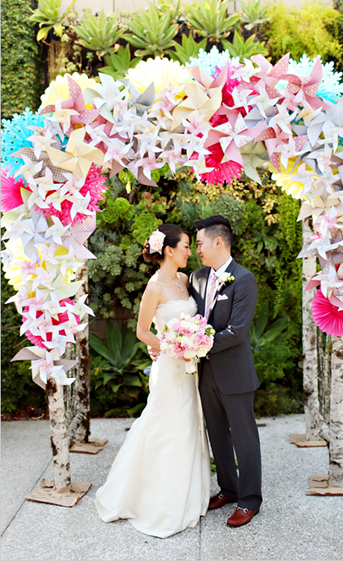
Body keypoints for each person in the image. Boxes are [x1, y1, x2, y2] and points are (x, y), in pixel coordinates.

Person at [95, 223, 210, 539]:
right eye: (186, 245)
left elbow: (193, 320)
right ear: (169, 250)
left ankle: (189, 494)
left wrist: (193, 342)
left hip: (189, 369)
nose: (190, 251)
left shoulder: (185, 280)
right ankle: (154, 501)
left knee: (188, 428)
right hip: (169, 370)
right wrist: (174, 346)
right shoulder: (155, 286)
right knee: (163, 429)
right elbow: (143, 332)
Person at [189, 215, 262, 528]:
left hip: (235, 373)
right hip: (206, 375)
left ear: (218, 242)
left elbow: (237, 332)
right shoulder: (196, 278)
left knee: (244, 438)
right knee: (217, 435)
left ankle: (249, 500)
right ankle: (229, 490)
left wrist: (195, 345)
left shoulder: (244, 279)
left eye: (201, 243)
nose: (197, 250)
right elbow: (188, 319)